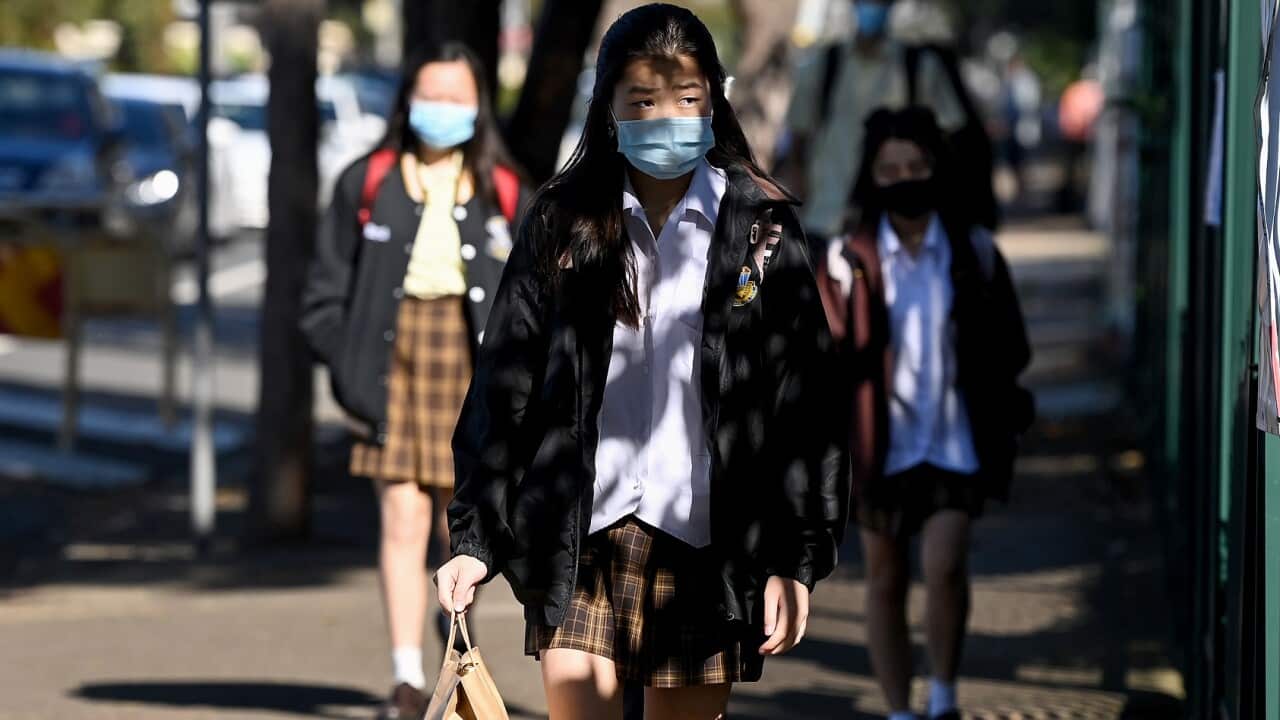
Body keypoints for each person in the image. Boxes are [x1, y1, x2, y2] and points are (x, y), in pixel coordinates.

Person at [434, 5, 849, 719]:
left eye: (687, 99)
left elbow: (803, 405)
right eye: (644, 100)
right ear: (609, 108)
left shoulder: (762, 230)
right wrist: (476, 538)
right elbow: (507, 378)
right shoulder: (561, 220)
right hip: (581, 535)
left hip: (706, 545)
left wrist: (794, 558)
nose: (667, 117)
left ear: (713, 102)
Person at [300, 43, 527, 720]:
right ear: (407, 100)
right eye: (432, 95)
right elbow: (322, 296)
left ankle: (455, 647)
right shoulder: (366, 181)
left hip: (471, 364)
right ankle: (404, 677)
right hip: (387, 364)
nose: (443, 111)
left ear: (480, 107)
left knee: (459, 529)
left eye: (459, 98)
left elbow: (536, 295)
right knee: (402, 516)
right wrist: (348, 375)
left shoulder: (505, 188)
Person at [815, 107, 1033, 720]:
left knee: (945, 564)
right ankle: (898, 709)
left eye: (916, 165)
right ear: (872, 176)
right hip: (879, 449)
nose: (905, 178)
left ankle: (944, 694)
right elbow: (823, 356)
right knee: (883, 581)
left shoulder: (973, 251)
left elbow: (1011, 346)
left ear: (938, 169)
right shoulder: (847, 260)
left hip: (954, 443)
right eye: (891, 169)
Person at [777, 0, 965, 245]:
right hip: (826, 223)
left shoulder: (919, 68)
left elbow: (950, 143)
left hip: (898, 232)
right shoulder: (822, 66)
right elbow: (797, 144)